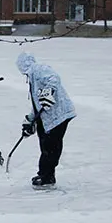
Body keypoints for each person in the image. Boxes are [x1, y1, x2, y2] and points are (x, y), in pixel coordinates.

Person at [17, 52, 76, 187]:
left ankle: (46, 176)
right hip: (49, 116)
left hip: (59, 114)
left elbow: (54, 78)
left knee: (51, 145)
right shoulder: (31, 77)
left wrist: (48, 92)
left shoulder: (38, 69)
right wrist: (29, 120)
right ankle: (46, 174)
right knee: (45, 143)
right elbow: (38, 103)